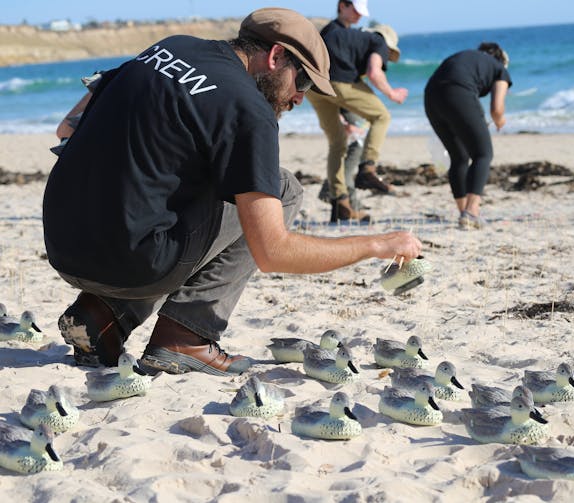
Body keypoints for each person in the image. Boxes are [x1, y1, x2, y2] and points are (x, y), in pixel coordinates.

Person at [42, 7, 421, 377]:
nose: (299, 99)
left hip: (62, 241)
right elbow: (273, 251)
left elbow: (67, 128)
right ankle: (186, 335)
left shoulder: (169, 47)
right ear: (276, 56)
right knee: (282, 187)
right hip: (128, 261)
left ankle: (104, 314)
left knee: (182, 181)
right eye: (302, 82)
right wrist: (377, 245)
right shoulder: (248, 108)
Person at [307, 0, 409, 223]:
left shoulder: (339, 34)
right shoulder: (377, 42)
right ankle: (367, 169)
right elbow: (374, 72)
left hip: (313, 87)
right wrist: (393, 94)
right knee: (382, 116)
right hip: (339, 83)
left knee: (337, 143)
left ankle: (340, 204)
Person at [424, 43, 512, 229]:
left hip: (431, 95)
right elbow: (496, 109)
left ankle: (464, 212)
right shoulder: (499, 69)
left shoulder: (468, 58)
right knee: (483, 153)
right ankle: (472, 211)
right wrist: (500, 120)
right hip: (459, 92)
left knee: (459, 157)